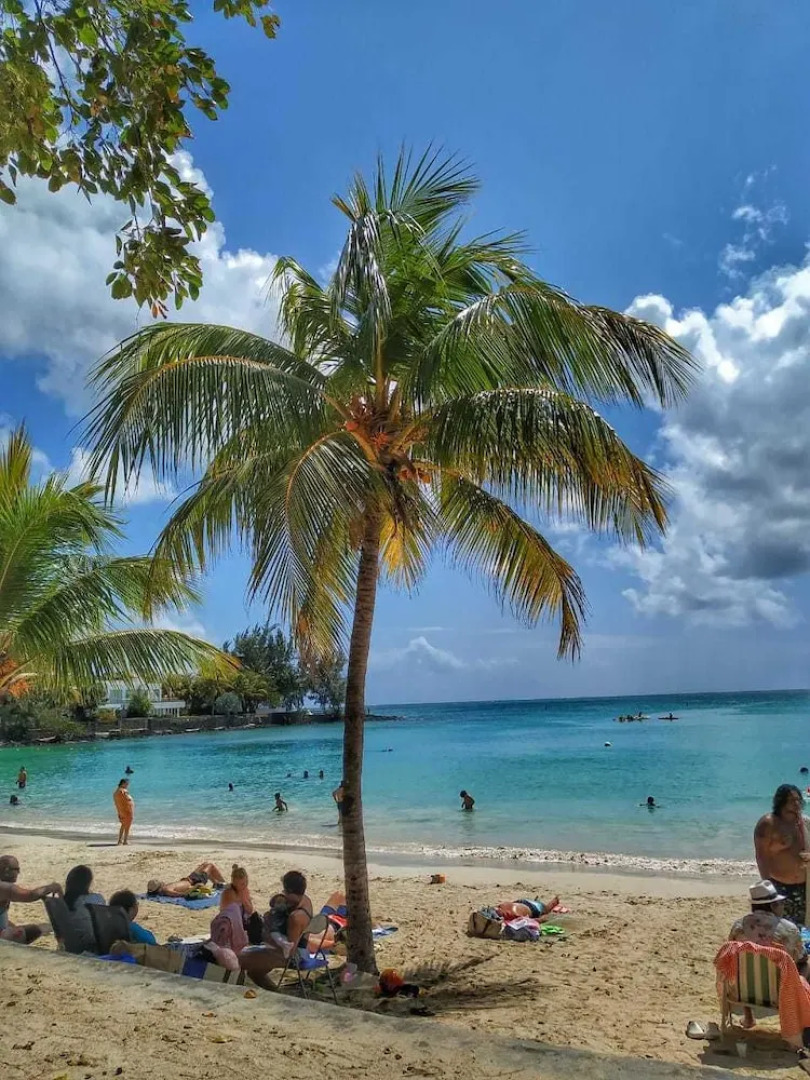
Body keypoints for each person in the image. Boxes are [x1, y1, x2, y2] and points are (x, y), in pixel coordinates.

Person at [729, 880, 809, 1029]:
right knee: (805, 965)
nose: (783, 906)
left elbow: (730, 955)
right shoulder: (788, 929)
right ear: (772, 906)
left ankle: (748, 1017)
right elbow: (801, 958)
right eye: (780, 903)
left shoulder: (738, 927)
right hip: (781, 992)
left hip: (743, 991)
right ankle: (799, 1016)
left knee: (745, 966)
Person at [239, 870, 321, 990]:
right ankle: (276, 992)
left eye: (285, 891)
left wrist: (267, 937)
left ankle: (239, 991)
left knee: (240, 961)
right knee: (253, 970)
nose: (284, 894)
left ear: (289, 891)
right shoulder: (305, 900)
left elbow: (289, 953)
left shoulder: (296, 917)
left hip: (295, 956)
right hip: (301, 949)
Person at [754, 784, 810, 926]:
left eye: (798, 800)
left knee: (801, 927)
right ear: (781, 801)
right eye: (792, 800)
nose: (797, 803)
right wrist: (767, 885)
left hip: (804, 886)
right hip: (779, 885)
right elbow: (761, 857)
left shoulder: (803, 823)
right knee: (779, 927)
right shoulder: (769, 824)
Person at [0, 855, 61, 944]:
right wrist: (52, 887)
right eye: (16, 869)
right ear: (6, 870)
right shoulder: (4, 887)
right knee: (34, 930)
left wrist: (13, 927)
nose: (18, 872)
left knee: (22, 929)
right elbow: (30, 895)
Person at [62, 865, 105, 953]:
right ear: (89, 883)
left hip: (70, 947)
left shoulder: (62, 905)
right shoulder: (96, 899)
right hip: (94, 946)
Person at [146, 861, 225, 898]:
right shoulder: (167, 890)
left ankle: (216, 884)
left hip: (190, 878)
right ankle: (222, 883)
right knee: (210, 866)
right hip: (194, 882)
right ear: (159, 887)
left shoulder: (165, 887)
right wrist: (196, 886)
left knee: (205, 864)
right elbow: (182, 894)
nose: (162, 882)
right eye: (159, 882)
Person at [496, 895, 561, 923]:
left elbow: (540, 920)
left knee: (545, 910)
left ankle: (552, 903)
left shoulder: (514, 915)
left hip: (530, 907)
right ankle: (552, 902)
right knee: (544, 909)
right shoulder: (501, 909)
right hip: (523, 904)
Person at [113, 778, 134, 846]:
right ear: (123, 783)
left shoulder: (116, 792)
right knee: (127, 826)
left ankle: (120, 840)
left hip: (121, 811)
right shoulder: (123, 791)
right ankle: (125, 841)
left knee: (123, 825)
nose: (127, 785)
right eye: (127, 784)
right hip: (127, 811)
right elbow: (128, 799)